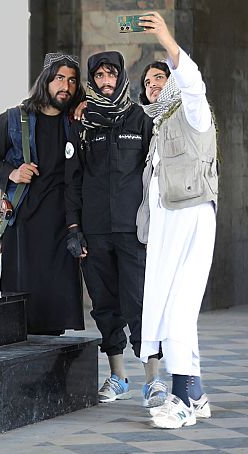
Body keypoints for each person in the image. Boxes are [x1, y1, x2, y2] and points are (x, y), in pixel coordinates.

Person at [64, 51, 165, 406]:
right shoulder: (82, 122)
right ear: (92, 81)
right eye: (100, 77)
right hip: (94, 233)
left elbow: (155, 175)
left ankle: (153, 379)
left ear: (121, 77)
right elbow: (72, 179)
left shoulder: (140, 119)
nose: (106, 82)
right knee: (105, 306)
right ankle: (118, 376)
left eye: (112, 75)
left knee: (139, 303)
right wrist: (74, 228)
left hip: (133, 232)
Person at [135, 12, 217, 429]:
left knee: (181, 310)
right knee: (170, 309)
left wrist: (168, 41)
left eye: (159, 78)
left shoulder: (193, 112)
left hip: (192, 219)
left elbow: (193, 81)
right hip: (166, 228)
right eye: (147, 83)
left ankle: (182, 402)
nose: (152, 87)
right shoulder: (157, 125)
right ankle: (196, 393)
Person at [0, 52, 85, 335]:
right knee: (21, 312)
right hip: (24, 224)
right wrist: (12, 173)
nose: (66, 86)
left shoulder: (77, 121)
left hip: (63, 225)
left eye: (72, 81)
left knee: (54, 313)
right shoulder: (14, 119)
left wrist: (90, 106)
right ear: (46, 81)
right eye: (60, 78)